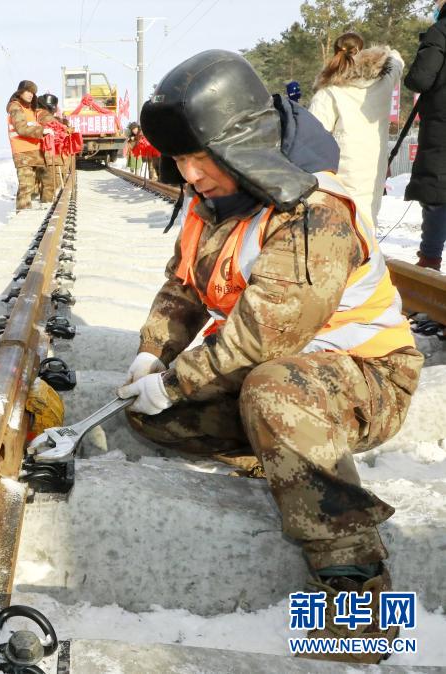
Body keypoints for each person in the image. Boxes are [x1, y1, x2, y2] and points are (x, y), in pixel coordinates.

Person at [128, 50, 422, 664]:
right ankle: (280, 448)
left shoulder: (315, 211)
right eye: (179, 160)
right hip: (281, 373)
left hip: (368, 378)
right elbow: (182, 287)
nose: (189, 175)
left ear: (243, 144)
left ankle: (360, 596)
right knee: (150, 416)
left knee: (272, 389)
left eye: (199, 158)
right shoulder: (218, 204)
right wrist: (152, 356)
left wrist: (182, 378)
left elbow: (267, 336)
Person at [309, 32, 403, 226]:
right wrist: (383, 53)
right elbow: (397, 61)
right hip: (374, 164)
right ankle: (369, 253)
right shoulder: (383, 84)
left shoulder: (329, 91)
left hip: (341, 167)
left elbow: (312, 134)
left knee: (341, 220)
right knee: (368, 217)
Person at [404, 0, 446, 270]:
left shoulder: (441, 31)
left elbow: (420, 79)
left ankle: (429, 266)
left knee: (437, 194)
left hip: (442, 129)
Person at [7, 80, 53, 211]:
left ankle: (44, 209)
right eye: (27, 91)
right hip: (23, 153)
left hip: (35, 151)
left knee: (44, 181)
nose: (31, 94)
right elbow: (21, 128)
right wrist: (42, 131)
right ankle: (22, 216)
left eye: (33, 92)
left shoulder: (30, 110)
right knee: (26, 187)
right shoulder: (15, 107)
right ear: (20, 92)